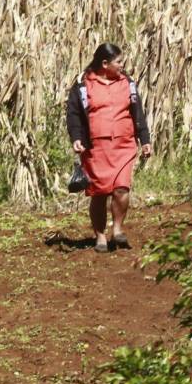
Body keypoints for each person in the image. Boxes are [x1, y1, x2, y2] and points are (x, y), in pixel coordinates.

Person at [66, 42, 153, 252]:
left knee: (122, 189)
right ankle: (101, 237)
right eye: (119, 62)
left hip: (124, 145)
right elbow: (74, 114)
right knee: (99, 193)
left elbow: (137, 113)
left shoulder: (127, 83)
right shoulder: (83, 85)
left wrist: (145, 139)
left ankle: (118, 229)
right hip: (96, 148)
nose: (122, 65)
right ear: (105, 63)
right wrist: (77, 137)